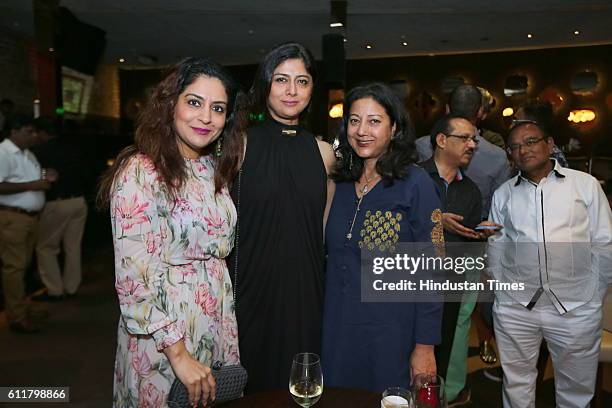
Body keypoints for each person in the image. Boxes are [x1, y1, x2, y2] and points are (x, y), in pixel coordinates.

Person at [97, 57, 245, 407]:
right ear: (170, 105)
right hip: (164, 338)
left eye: (218, 108)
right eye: (194, 102)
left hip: (215, 324)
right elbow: (133, 280)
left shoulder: (213, 167)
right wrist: (178, 355)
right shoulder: (141, 171)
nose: (206, 117)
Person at [321, 83, 443, 392]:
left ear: (394, 128)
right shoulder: (339, 184)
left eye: (374, 121)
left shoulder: (415, 184)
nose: (362, 130)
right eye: (354, 120)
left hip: (391, 335)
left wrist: (425, 345)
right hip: (336, 331)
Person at [230, 42, 336, 393]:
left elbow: (323, 229)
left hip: (306, 290)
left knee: (302, 384)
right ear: (266, 85)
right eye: (281, 80)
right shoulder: (240, 146)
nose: (292, 91)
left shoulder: (323, 153)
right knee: (253, 387)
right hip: (252, 289)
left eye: (302, 81)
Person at [488, 121, 612, 408]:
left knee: (576, 391)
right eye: (515, 146)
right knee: (516, 383)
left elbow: (604, 243)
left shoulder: (585, 185)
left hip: (576, 307)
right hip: (516, 308)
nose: (523, 150)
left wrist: (594, 295)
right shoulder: (503, 193)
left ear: (550, 144)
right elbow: (496, 245)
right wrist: (501, 292)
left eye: (531, 141)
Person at [419, 114, 491, 405]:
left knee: (444, 347)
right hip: (410, 280)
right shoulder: (412, 177)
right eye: (465, 138)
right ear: (441, 140)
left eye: (474, 139)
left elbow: (470, 244)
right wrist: (435, 220)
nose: (472, 144)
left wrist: (482, 233)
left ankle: (438, 398)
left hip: (450, 283)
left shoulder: (471, 191)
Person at [0, 115, 57, 333]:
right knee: (14, 267)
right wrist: (32, 185)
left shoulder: (27, 153)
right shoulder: (3, 153)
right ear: (14, 132)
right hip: (12, 217)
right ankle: (16, 315)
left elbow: (35, 179)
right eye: (29, 131)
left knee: (23, 265)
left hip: (30, 218)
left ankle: (21, 306)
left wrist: (47, 177)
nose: (33, 136)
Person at [31, 117, 88, 301]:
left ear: (42, 132)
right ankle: (72, 287)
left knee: (46, 247)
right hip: (79, 201)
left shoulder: (40, 152)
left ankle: (55, 290)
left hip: (57, 202)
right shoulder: (74, 147)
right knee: (73, 246)